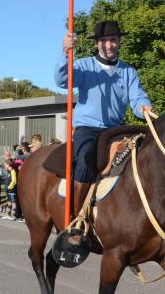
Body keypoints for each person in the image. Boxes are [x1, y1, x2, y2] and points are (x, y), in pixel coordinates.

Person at [55, 20, 153, 217]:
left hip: (117, 129)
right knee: (85, 160)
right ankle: (76, 217)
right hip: (88, 128)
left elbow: (138, 98)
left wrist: (145, 108)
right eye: (104, 40)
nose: (109, 45)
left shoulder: (129, 72)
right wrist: (65, 53)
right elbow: (62, 81)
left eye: (113, 40)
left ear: (119, 41)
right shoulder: (83, 66)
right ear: (97, 43)